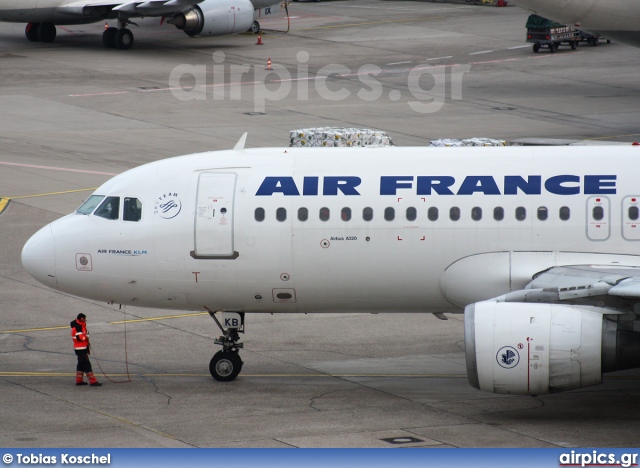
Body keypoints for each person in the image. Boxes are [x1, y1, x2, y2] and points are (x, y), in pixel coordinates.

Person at [70, 313, 102, 386]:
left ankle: (79, 380)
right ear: (81, 318)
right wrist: (86, 338)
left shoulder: (81, 325)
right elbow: (79, 338)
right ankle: (93, 381)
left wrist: (86, 335)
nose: (85, 320)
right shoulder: (78, 327)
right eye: (84, 319)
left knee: (80, 364)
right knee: (86, 364)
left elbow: (86, 333)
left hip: (80, 348)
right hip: (81, 348)